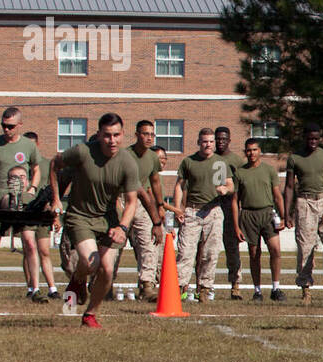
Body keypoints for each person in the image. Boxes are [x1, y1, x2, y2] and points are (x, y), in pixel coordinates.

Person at [46, 113, 141, 328]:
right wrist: (55, 199)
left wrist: (122, 227)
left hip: (108, 220)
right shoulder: (82, 152)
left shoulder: (128, 162)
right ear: (98, 135)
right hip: (80, 216)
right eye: (107, 135)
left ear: (123, 134)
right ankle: (78, 280)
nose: (112, 140)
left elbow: (132, 202)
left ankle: (90, 314)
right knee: (92, 262)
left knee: (107, 270)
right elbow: (54, 163)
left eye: (116, 135)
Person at [0, 107, 44, 301]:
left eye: (10, 126)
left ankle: (35, 289)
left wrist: (32, 188)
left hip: (21, 198)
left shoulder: (28, 145)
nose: (6, 130)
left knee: (30, 243)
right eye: (3, 126)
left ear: (20, 125)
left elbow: (36, 168)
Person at [174, 128, 236, 301]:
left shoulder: (219, 163)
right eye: (204, 141)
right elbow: (180, 186)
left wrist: (225, 189)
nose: (208, 144)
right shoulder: (189, 162)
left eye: (210, 141)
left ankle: (204, 288)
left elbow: (230, 185)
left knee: (210, 253)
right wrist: (178, 208)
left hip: (213, 211)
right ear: (198, 142)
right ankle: (180, 287)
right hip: (192, 211)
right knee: (186, 252)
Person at [283, 123, 323, 304]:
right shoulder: (294, 158)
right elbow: (289, 186)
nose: (312, 142)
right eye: (309, 138)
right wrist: (287, 213)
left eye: (316, 138)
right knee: (305, 247)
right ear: (304, 138)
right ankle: (305, 289)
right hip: (304, 203)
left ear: (320, 138)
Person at [232, 137, 287, 301]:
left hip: (267, 213)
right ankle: (257, 291)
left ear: (259, 151)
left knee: (275, 250)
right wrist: (237, 226)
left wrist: (283, 216)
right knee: (254, 253)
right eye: (248, 150)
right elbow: (235, 201)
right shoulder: (239, 172)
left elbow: (278, 196)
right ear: (245, 152)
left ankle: (276, 288)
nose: (251, 153)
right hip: (249, 215)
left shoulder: (269, 170)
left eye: (254, 149)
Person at [124, 120, 165, 301]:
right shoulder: (125, 155)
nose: (149, 138)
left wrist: (160, 205)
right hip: (122, 201)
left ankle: (147, 286)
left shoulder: (152, 158)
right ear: (136, 135)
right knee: (114, 246)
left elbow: (155, 182)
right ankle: (103, 284)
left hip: (142, 203)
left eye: (151, 134)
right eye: (145, 134)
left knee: (149, 243)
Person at [24, 131, 61, 299]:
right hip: (26, 212)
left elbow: (53, 191)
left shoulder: (46, 165)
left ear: (37, 145)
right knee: (29, 248)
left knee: (44, 251)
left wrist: (56, 216)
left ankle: (52, 288)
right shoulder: (22, 166)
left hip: (43, 213)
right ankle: (33, 288)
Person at [213, 126, 246, 299]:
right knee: (204, 248)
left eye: (224, 139)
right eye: (217, 139)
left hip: (229, 207)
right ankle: (201, 286)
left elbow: (241, 188)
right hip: (209, 206)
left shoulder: (236, 161)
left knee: (232, 248)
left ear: (229, 140)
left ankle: (235, 284)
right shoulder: (208, 158)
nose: (220, 142)